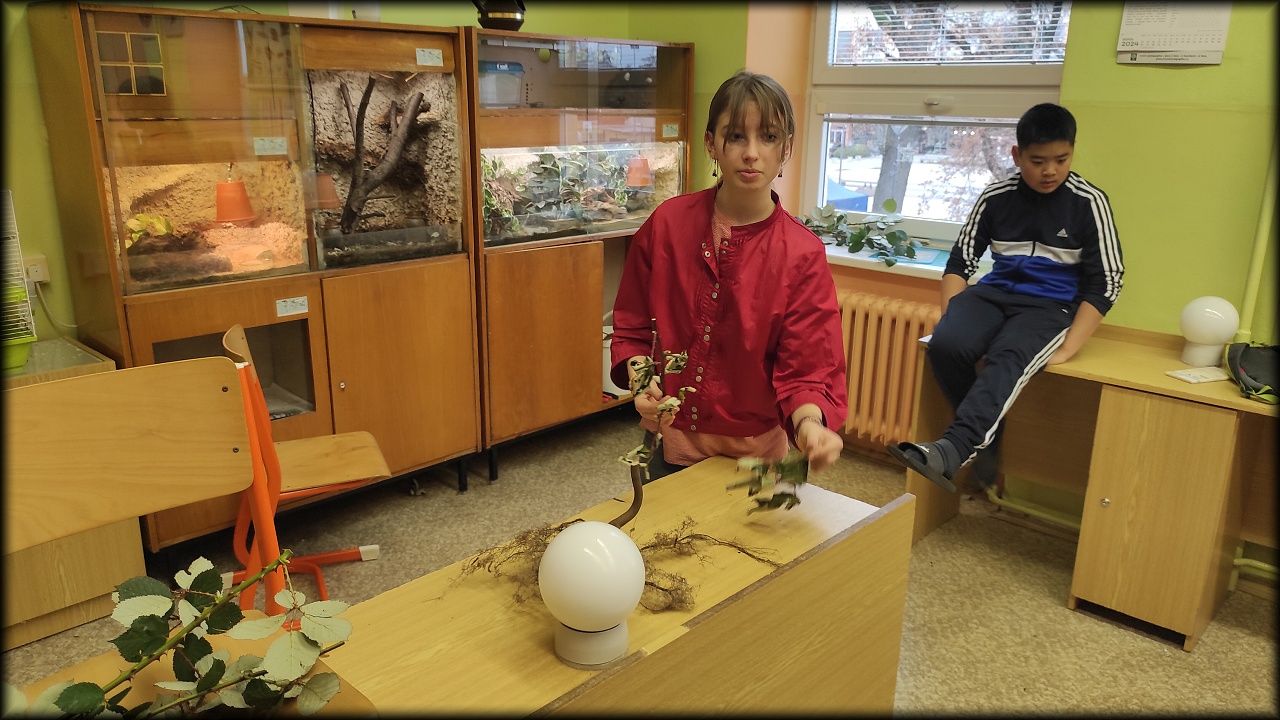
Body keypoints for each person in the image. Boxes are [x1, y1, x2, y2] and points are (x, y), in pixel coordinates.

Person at [609, 70, 848, 482]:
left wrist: (810, 426)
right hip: (674, 446)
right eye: (736, 136)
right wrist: (641, 378)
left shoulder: (802, 253)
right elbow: (632, 324)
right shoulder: (668, 224)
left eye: (768, 137)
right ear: (711, 143)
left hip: (757, 461)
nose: (751, 153)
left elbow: (807, 369)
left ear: (786, 147)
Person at [888, 102, 1124, 492]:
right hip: (995, 293)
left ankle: (954, 449)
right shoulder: (996, 196)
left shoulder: (1088, 202)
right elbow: (960, 262)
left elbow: (1108, 281)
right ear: (1017, 155)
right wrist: (953, 319)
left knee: (1008, 355)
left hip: (1051, 305)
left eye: (1061, 160)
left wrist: (1069, 347)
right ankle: (986, 431)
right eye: (1038, 161)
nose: (1050, 171)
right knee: (945, 344)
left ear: (1072, 153)